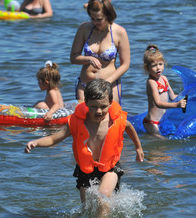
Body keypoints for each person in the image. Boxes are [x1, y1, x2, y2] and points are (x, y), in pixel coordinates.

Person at [25, 79, 144, 215]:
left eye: (103, 106)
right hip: (85, 169)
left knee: (102, 197)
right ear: (86, 102)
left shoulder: (115, 120)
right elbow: (54, 138)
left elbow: (129, 127)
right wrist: (36, 142)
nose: (98, 111)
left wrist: (138, 148)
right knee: (86, 209)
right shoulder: (77, 122)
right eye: (93, 106)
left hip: (110, 167)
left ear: (110, 103)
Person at [70, 0, 131, 103]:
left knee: (111, 117)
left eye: (99, 19)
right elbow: (73, 57)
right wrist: (88, 59)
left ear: (108, 16)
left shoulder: (119, 32)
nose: (94, 22)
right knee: (83, 116)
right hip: (85, 85)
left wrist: (107, 82)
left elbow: (125, 65)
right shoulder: (84, 29)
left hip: (110, 85)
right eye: (92, 18)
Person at [142, 45, 187, 136]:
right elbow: (158, 103)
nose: (158, 68)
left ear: (164, 63)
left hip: (162, 121)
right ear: (147, 68)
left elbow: (173, 96)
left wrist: (186, 97)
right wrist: (176, 105)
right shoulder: (152, 82)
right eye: (154, 65)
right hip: (151, 123)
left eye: (160, 64)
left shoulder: (164, 79)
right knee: (162, 142)